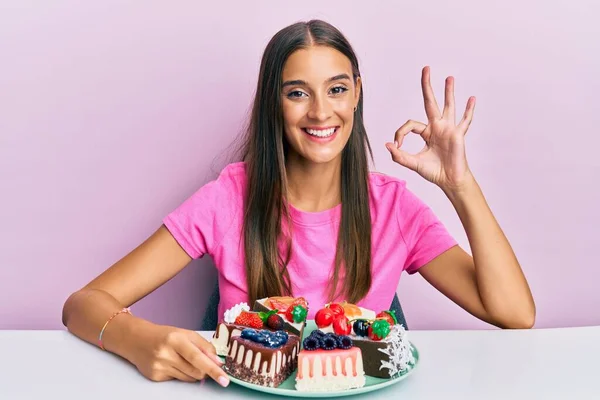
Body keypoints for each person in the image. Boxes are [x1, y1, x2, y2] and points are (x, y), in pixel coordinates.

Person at [61, 19, 535, 387]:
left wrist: (460, 183)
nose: (320, 112)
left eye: (336, 89)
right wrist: (140, 339)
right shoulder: (228, 200)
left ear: (356, 95)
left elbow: (515, 314)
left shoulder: (394, 210)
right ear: (274, 102)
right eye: (296, 94)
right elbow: (83, 304)